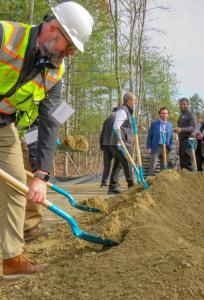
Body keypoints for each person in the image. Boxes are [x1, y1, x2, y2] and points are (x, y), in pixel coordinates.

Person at [0, 1, 94, 279]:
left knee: (17, 184)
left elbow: (52, 119)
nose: (71, 53)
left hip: (5, 125)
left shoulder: (56, 70)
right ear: (54, 29)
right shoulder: (5, 35)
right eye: (70, 45)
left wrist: (41, 174)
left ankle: (12, 258)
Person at [108, 93, 136, 194]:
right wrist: (120, 141)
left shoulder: (127, 111)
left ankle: (112, 186)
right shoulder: (123, 111)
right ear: (129, 101)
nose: (135, 102)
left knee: (118, 164)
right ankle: (131, 186)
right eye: (134, 100)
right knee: (127, 163)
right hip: (122, 143)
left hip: (121, 142)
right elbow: (116, 126)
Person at [146, 107, 173, 176]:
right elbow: (149, 136)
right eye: (163, 113)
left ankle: (161, 184)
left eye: (166, 113)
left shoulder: (170, 125)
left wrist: (170, 147)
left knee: (164, 167)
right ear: (160, 114)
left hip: (166, 148)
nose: (164, 115)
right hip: (155, 147)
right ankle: (150, 182)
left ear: (168, 115)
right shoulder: (154, 124)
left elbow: (171, 138)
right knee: (153, 166)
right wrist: (148, 147)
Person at [99, 107, 121, 187]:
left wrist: (101, 145)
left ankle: (104, 181)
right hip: (113, 145)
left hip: (105, 145)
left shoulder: (106, 120)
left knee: (107, 164)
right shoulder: (117, 121)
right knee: (118, 163)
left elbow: (102, 133)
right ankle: (114, 181)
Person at [173, 98, 197, 171]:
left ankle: (190, 180)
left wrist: (181, 129)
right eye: (180, 104)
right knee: (182, 163)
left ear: (188, 105)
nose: (182, 106)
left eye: (184, 104)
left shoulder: (191, 115)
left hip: (188, 141)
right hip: (182, 142)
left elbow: (192, 127)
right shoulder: (182, 115)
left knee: (187, 163)